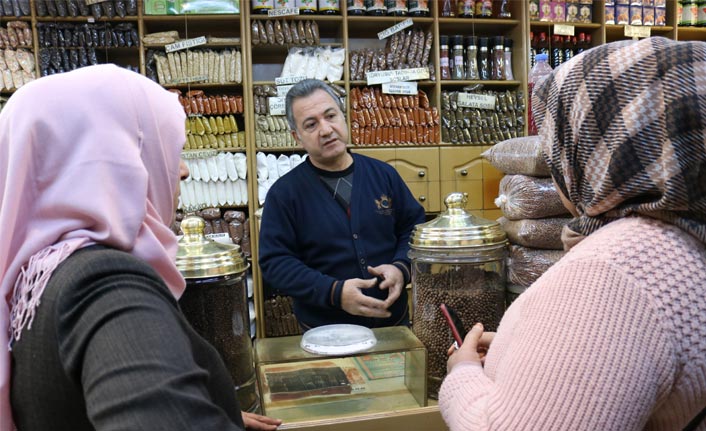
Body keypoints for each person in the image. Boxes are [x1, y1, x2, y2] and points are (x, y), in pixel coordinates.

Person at [439, 37, 706, 430]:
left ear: (587, 146)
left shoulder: (612, 271)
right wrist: (536, 357)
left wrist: (461, 374)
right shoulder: (689, 234)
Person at [0, 65, 281, 431]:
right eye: (166, 150)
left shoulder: (34, 273)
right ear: (113, 158)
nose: (181, 170)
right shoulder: (105, 284)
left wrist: (201, 407)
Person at [258, 79, 426, 330]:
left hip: (393, 324)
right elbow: (275, 262)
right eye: (311, 124)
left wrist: (401, 268)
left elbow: (413, 228)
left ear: (343, 117)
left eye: (330, 116)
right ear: (297, 136)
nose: (325, 130)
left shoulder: (383, 175)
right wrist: (334, 292)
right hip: (325, 330)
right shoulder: (284, 194)